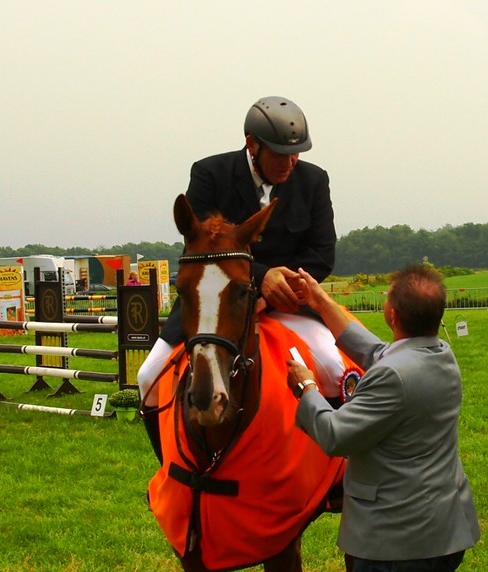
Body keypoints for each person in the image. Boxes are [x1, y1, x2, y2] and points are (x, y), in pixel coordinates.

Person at [285, 264, 481, 572]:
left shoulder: (391, 376)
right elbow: (376, 352)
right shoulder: (440, 355)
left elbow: (336, 433)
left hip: (394, 543)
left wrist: (305, 387)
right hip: (443, 531)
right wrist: (320, 300)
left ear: (391, 314)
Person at [137, 96, 344, 453]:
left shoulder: (314, 180)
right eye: (281, 154)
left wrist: (282, 288)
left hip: (286, 304)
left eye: (296, 154)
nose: (290, 163)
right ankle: (172, 467)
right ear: (252, 144)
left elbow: (323, 255)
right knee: (147, 377)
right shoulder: (209, 174)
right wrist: (261, 276)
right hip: (215, 304)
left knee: (331, 364)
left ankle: (339, 471)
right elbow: (201, 245)